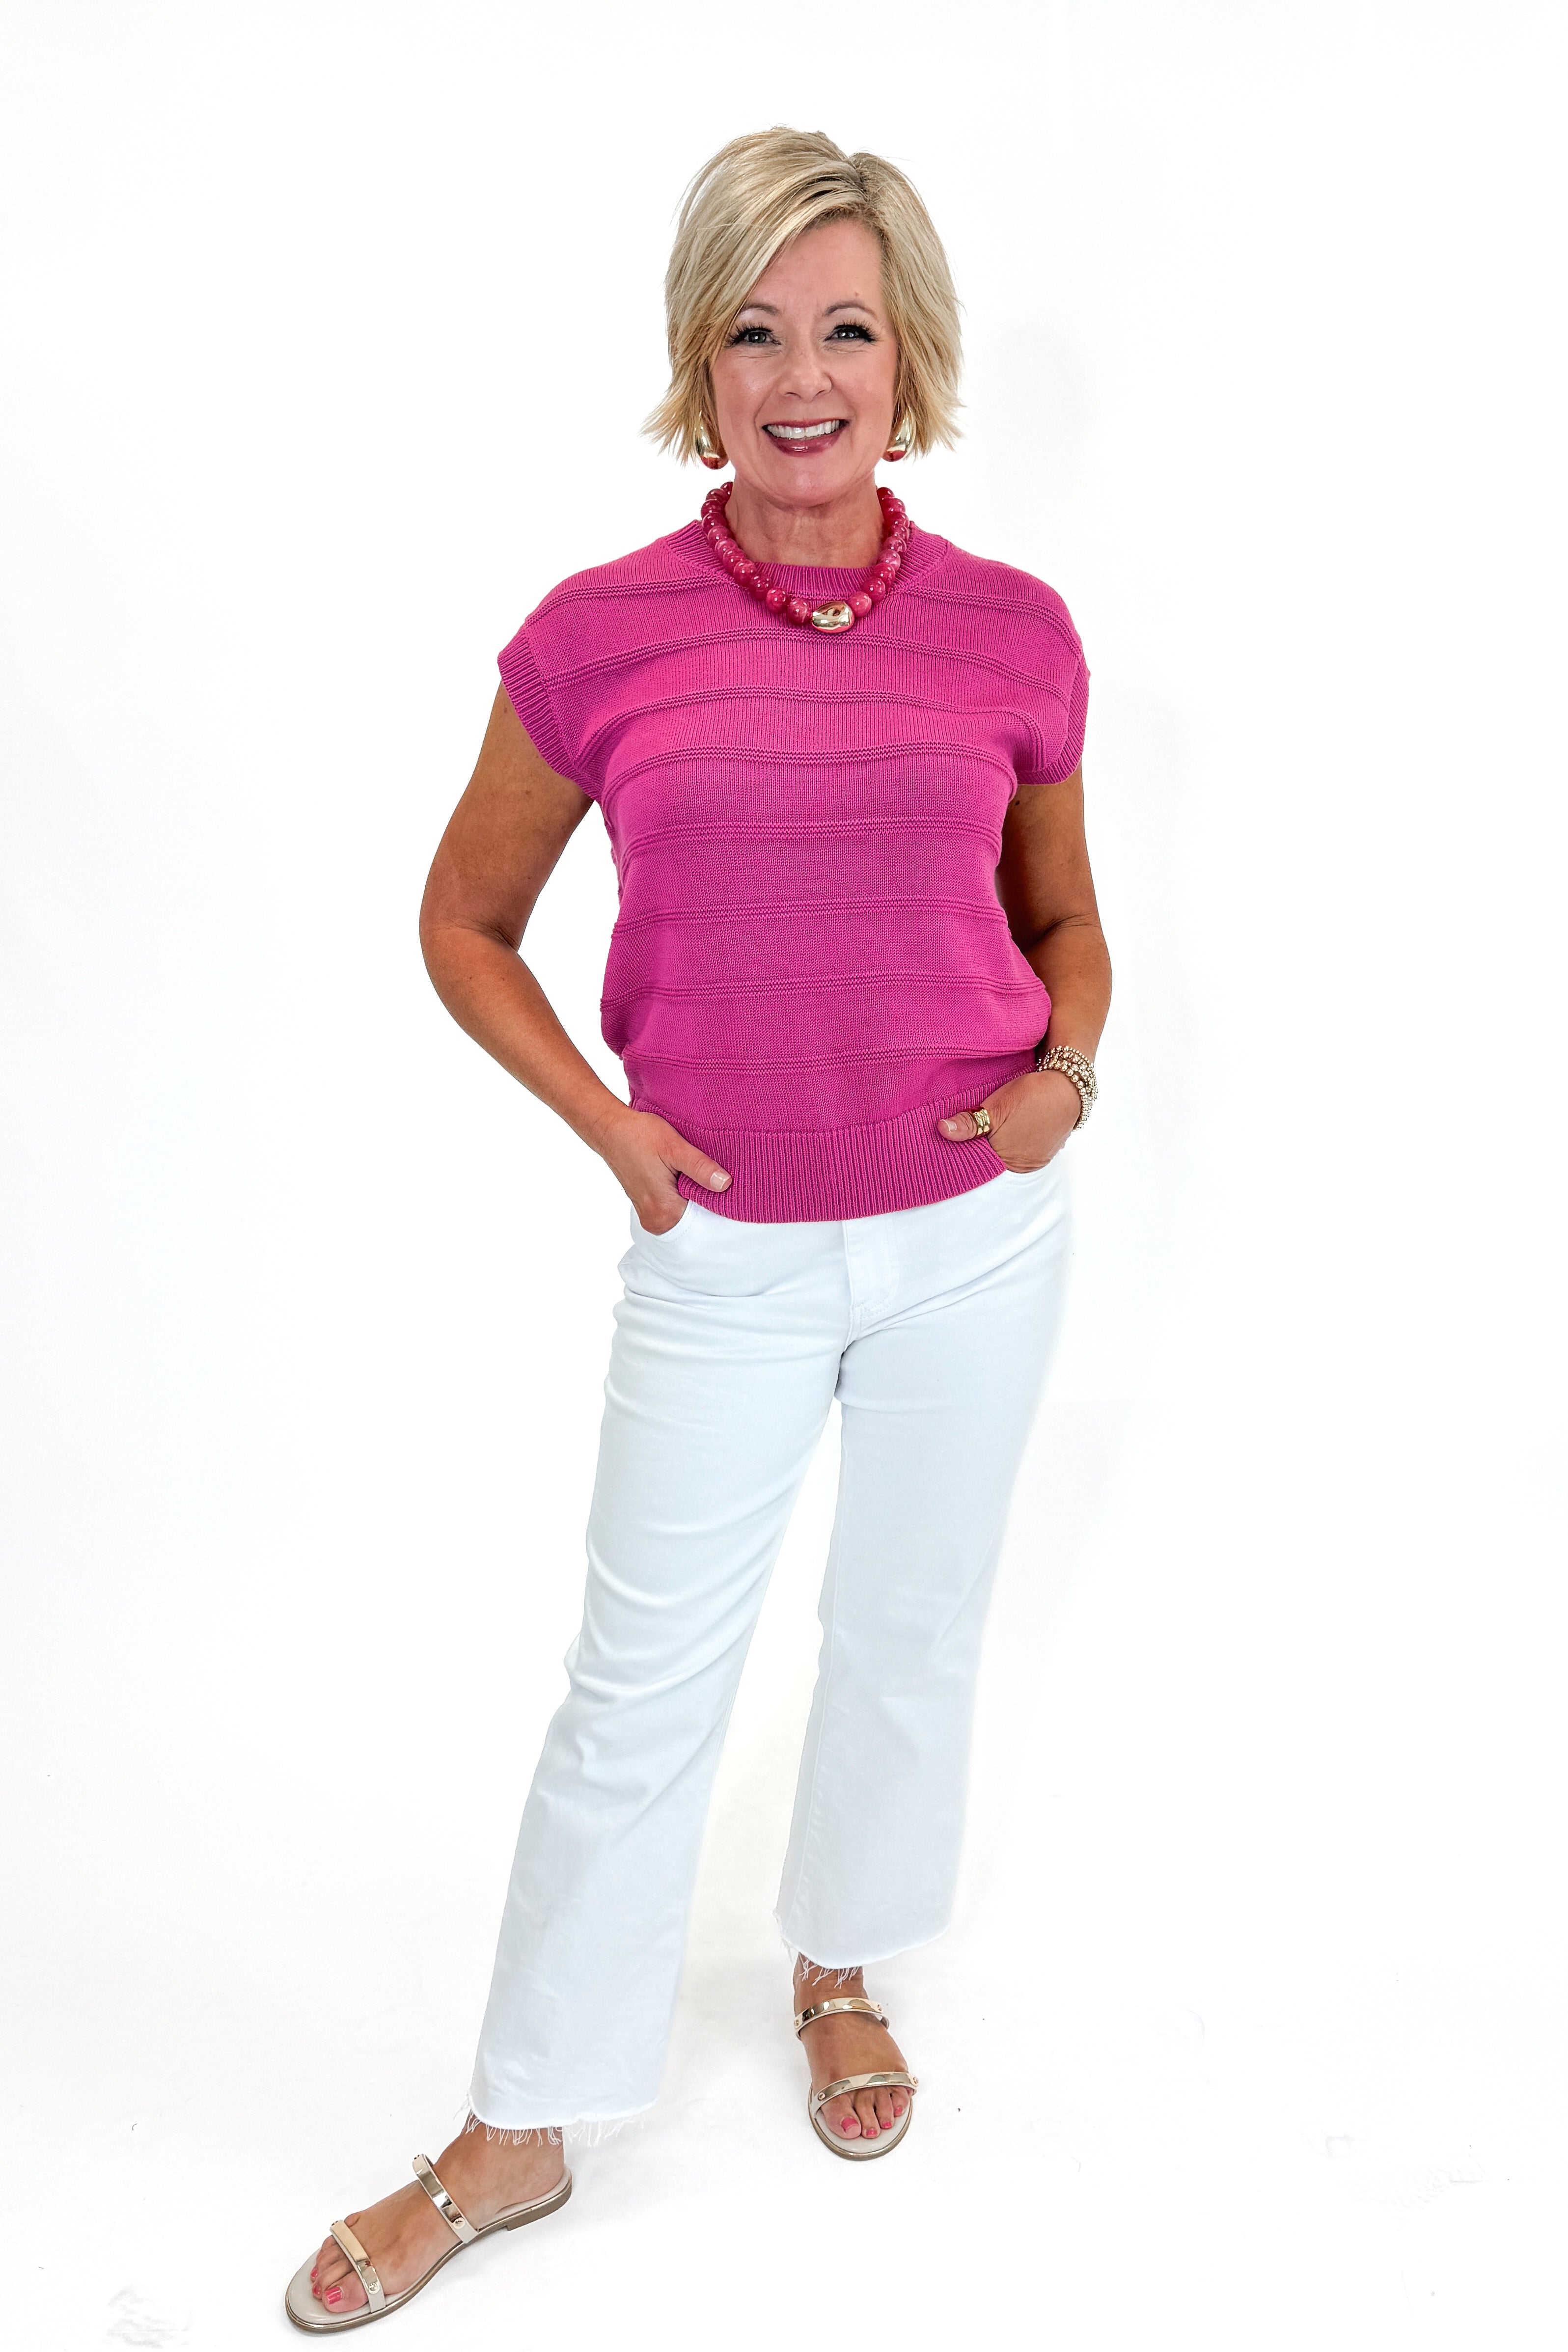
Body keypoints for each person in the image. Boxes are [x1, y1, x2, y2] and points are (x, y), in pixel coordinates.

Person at [286, 124, 1111, 2331]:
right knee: (637, 1690)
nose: (800, 376)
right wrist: (612, 1134)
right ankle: (522, 2121)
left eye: (845, 327)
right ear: (698, 359)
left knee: (911, 1631)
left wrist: (1064, 1077)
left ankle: (837, 1960)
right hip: (724, 1251)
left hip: (973, 1238)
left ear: (910, 359)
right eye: (754, 331)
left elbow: (1067, 923)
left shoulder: (1016, 631)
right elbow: (464, 921)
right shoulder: (597, 637)